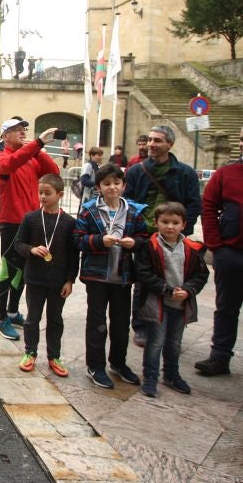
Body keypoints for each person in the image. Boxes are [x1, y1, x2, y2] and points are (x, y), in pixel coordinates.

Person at [72, 164, 148, 389]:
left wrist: (134, 243)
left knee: (121, 323)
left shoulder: (134, 212)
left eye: (116, 183)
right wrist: (97, 241)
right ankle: (95, 365)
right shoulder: (89, 210)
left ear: (123, 186)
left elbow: (145, 238)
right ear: (98, 187)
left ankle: (118, 362)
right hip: (96, 276)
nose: (112, 187)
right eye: (106, 184)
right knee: (96, 323)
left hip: (122, 276)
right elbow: (77, 239)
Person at [124, 125, 201, 346]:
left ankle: (172, 324)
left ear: (170, 144)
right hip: (144, 237)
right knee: (142, 282)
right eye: (149, 139)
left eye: (157, 140)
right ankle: (140, 326)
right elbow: (128, 202)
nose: (151, 144)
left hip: (174, 237)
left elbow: (194, 205)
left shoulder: (185, 173)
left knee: (174, 279)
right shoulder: (137, 171)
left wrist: (182, 230)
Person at [0, 118, 60, 341]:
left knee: (24, 270)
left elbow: (54, 172)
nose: (22, 133)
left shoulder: (30, 156)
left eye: (23, 130)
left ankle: (12, 311)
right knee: (9, 269)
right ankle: (1, 317)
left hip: (32, 221)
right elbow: (11, 163)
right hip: (12, 222)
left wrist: (37, 149)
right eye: (16, 130)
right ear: (5, 137)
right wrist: (37, 143)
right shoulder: (1, 157)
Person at [135, 202, 209, 397]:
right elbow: (143, 273)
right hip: (157, 304)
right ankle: (150, 377)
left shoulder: (192, 248)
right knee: (155, 342)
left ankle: (171, 374)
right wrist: (165, 290)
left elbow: (201, 274)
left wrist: (188, 290)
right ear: (156, 222)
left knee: (174, 342)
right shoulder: (149, 246)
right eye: (165, 221)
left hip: (180, 304)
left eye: (175, 222)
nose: (170, 226)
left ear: (183, 224)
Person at [14, 174, 79, 377]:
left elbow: (73, 254)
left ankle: (54, 356)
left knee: (55, 319)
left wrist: (70, 280)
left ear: (60, 194)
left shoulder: (69, 222)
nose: (42, 196)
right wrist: (31, 250)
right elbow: (18, 244)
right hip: (34, 277)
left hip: (58, 280)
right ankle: (30, 352)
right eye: (40, 192)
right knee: (32, 317)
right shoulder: (30, 218)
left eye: (47, 193)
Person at [195, 127, 243, 376]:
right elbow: (209, 207)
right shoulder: (226, 174)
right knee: (226, 307)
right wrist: (216, 246)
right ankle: (220, 357)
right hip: (231, 253)